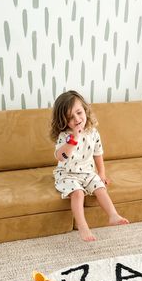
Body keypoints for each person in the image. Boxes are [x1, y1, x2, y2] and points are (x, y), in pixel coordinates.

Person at [50, 90, 129, 242]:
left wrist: (102, 173)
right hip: (67, 174)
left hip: (88, 172)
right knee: (78, 193)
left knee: (100, 188)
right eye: (70, 118)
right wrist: (74, 139)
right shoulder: (65, 136)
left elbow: (98, 153)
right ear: (64, 121)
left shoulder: (93, 132)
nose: (77, 119)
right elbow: (61, 156)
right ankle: (83, 226)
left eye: (79, 113)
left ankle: (113, 215)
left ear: (85, 110)